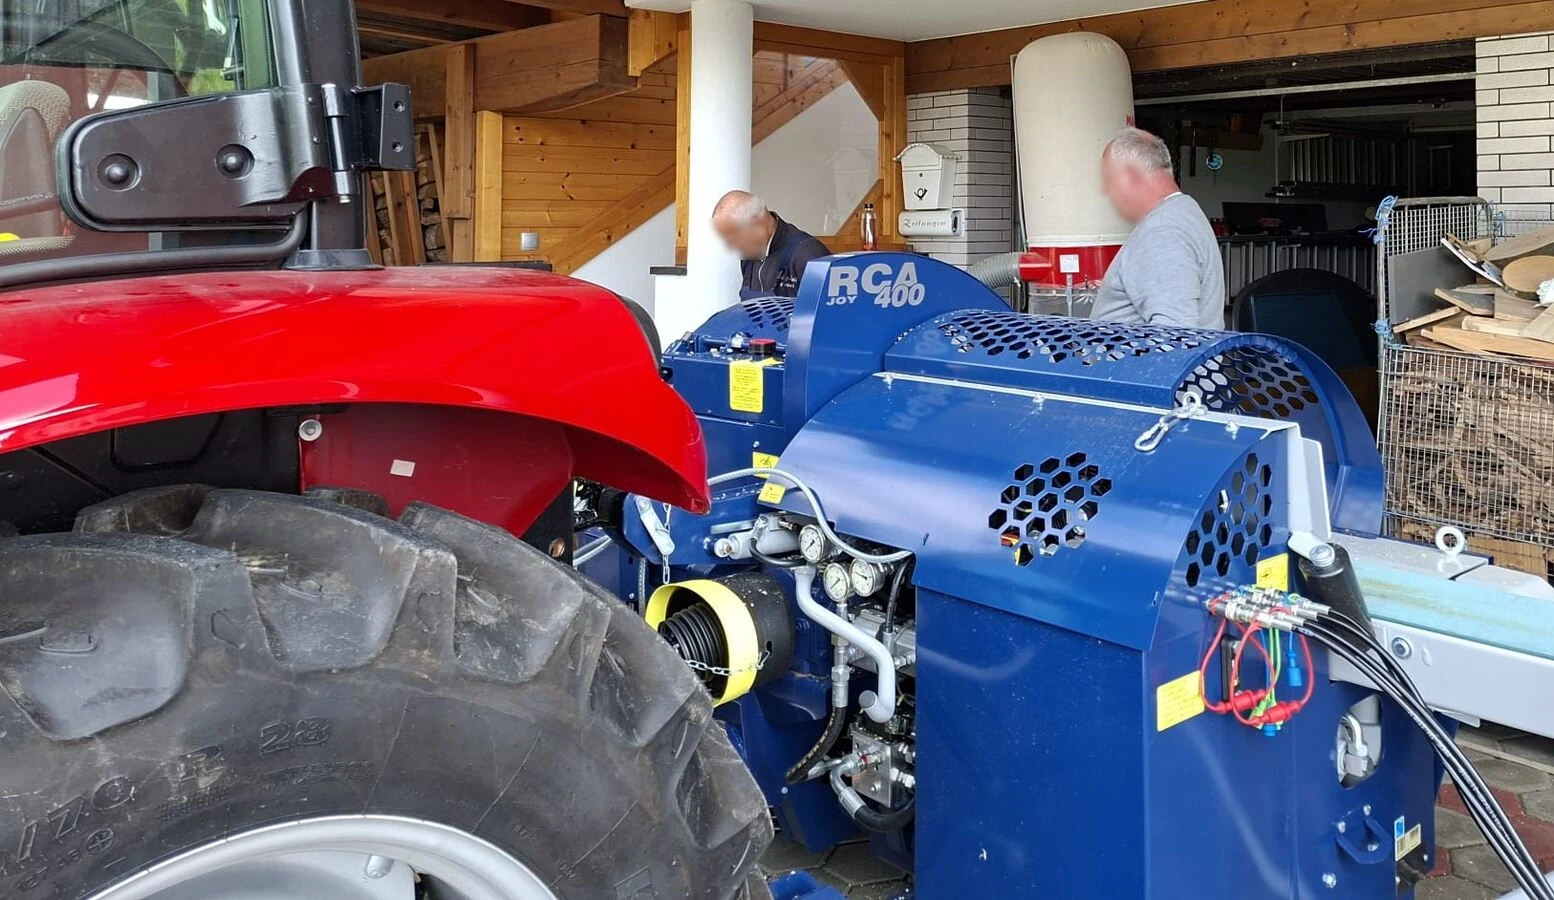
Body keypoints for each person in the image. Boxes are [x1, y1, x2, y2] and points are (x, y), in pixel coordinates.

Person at [1092, 127, 1226, 329]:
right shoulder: (1184, 210)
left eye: (1109, 180)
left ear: (1131, 175)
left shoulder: (1162, 231)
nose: (1105, 190)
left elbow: (1174, 333)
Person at [712, 190, 830, 297]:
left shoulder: (808, 255)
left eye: (734, 238)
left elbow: (829, 311)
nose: (730, 247)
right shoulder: (749, 254)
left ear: (756, 224)